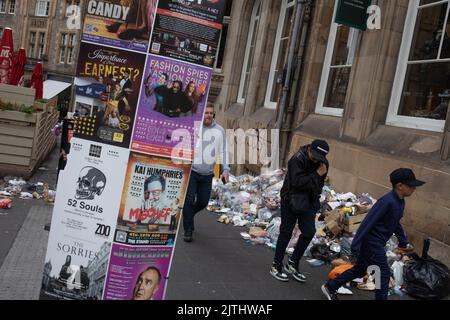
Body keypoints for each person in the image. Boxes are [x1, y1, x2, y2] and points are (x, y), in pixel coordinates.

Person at [321, 168, 425, 300]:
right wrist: (356, 244)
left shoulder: (400, 202)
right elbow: (368, 222)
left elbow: (395, 222)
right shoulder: (387, 201)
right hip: (372, 243)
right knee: (383, 274)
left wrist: (403, 241)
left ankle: (330, 286)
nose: (414, 189)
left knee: (360, 270)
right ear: (399, 186)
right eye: (411, 186)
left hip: (377, 243)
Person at [270, 140, 330, 282]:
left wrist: (316, 204)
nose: (316, 160)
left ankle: (293, 262)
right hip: (291, 199)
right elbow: (297, 184)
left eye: (319, 158)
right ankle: (276, 265)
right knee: (286, 231)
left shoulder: (323, 164)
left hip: (309, 202)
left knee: (309, 232)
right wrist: (316, 174)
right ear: (309, 149)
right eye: (314, 156)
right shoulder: (297, 159)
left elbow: (319, 185)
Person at [182, 103, 230, 242]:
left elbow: (223, 151)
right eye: (206, 113)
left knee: (203, 202)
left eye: (211, 113)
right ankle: (188, 229)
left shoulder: (219, 131)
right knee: (189, 201)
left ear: (213, 114)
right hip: (192, 171)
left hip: (207, 174)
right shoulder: (194, 128)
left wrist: (225, 169)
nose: (208, 115)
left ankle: (188, 216)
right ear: (202, 114)